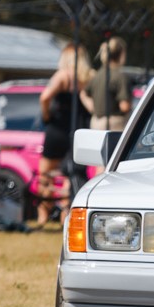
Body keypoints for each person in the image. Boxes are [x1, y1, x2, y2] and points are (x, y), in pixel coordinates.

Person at [37, 42, 93, 229]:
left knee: (45, 174)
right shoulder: (88, 77)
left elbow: (44, 97)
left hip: (57, 129)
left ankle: (43, 214)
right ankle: (65, 216)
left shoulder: (63, 76)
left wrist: (46, 115)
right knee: (71, 175)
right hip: (77, 131)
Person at [85, 36, 132, 133]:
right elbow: (125, 106)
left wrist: (93, 108)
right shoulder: (120, 76)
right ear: (121, 54)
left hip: (95, 123)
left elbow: (84, 93)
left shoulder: (97, 75)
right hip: (115, 126)